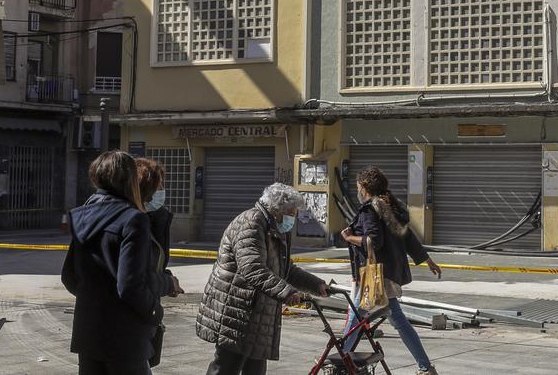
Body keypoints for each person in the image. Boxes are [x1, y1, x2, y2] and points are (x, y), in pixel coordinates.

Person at [197, 183, 329, 375]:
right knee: (226, 367)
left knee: (255, 369)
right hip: (236, 309)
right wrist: (286, 291)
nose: (293, 218)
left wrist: (316, 285)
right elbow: (252, 268)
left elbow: (285, 269)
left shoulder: (275, 227)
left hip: (257, 314)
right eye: (291, 212)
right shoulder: (251, 223)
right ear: (276, 210)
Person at [62, 151, 169, 375]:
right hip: (124, 336)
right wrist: (154, 310)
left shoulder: (82, 215)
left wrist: (95, 300)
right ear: (129, 180)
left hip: (88, 331)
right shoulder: (133, 219)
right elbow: (130, 285)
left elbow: (69, 276)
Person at [340, 166, 442, 375]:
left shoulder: (370, 210)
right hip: (388, 275)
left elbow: (373, 241)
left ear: (365, 187)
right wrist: (427, 259)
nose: (357, 190)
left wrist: (349, 238)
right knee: (397, 322)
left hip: (374, 277)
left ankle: (340, 361)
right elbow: (408, 236)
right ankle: (425, 367)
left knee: (356, 318)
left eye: (359, 186)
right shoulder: (387, 207)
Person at [135, 157, 183, 297]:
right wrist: (167, 284)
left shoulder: (155, 219)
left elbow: (148, 267)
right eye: (159, 186)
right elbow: (131, 279)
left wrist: (165, 278)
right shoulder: (131, 224)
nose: (162, 190)